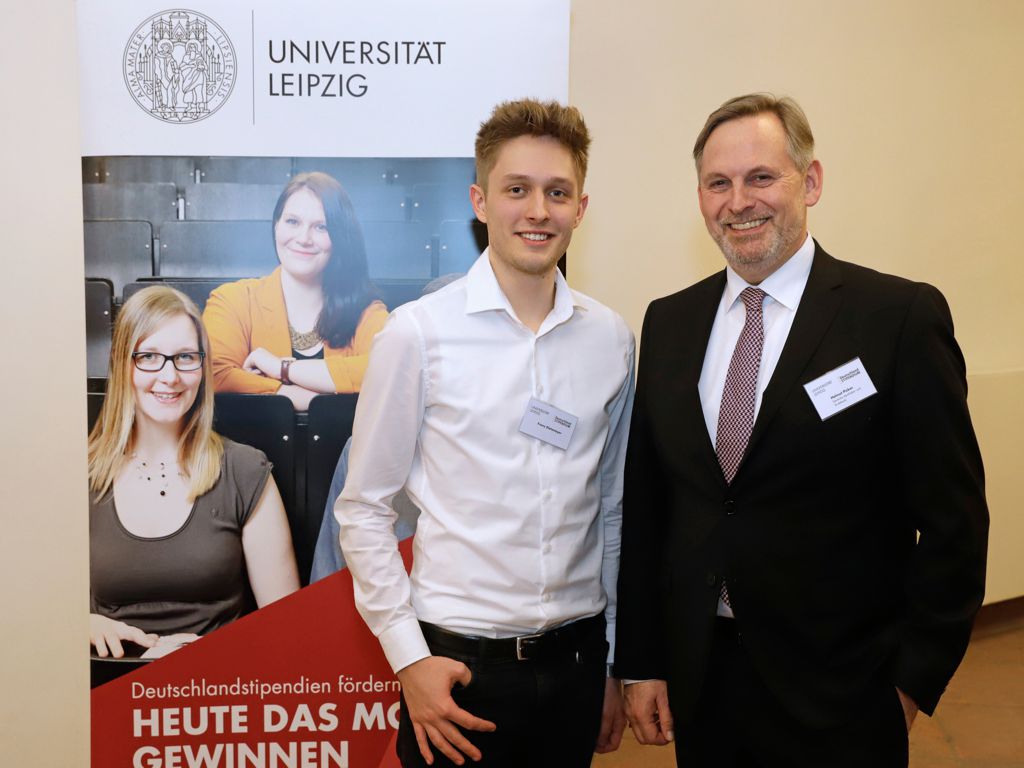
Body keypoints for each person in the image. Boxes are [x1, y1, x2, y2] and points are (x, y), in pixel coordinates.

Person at [615, 93, 989, 767]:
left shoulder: (896, 318)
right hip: (705, 685)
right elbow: (651, 509)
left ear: (809, 182)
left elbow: (955, 523)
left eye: (762, 177)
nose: (739, 202)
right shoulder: (669, 323)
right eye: (717, 183)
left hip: (844, 693)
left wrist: (909, 683)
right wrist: (642, 659)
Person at [336, 99, 634, 767]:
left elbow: (611, 511)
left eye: (558, 192)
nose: (538, 211)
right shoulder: (417, 334)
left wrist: (612, 661)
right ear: (480, 200)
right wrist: (410, 660)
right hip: (459, 670)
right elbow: (361, 512)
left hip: (578, 664)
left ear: (581, 207)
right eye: (517, 190)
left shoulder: (611, 339)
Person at [89, 286, 300, 659]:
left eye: (185, 357)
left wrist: (197, 657)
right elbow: (34, 611)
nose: (169, 376)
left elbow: (287, 630)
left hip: (212, 696)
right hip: (104, 694)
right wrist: (78, 623)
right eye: (149, 357)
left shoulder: (244, 470)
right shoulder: (82, 475)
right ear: (123, 364)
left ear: (202, 367)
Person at [203, 172, 389, 411]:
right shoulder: (232, 300)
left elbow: (388, 369)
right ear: (276, 226)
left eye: (321, 227)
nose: (304, 239)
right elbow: (215, 375)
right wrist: (309, 400)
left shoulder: (366, 309)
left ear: (341, 237)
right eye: (293, 222)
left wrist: (282, 369)